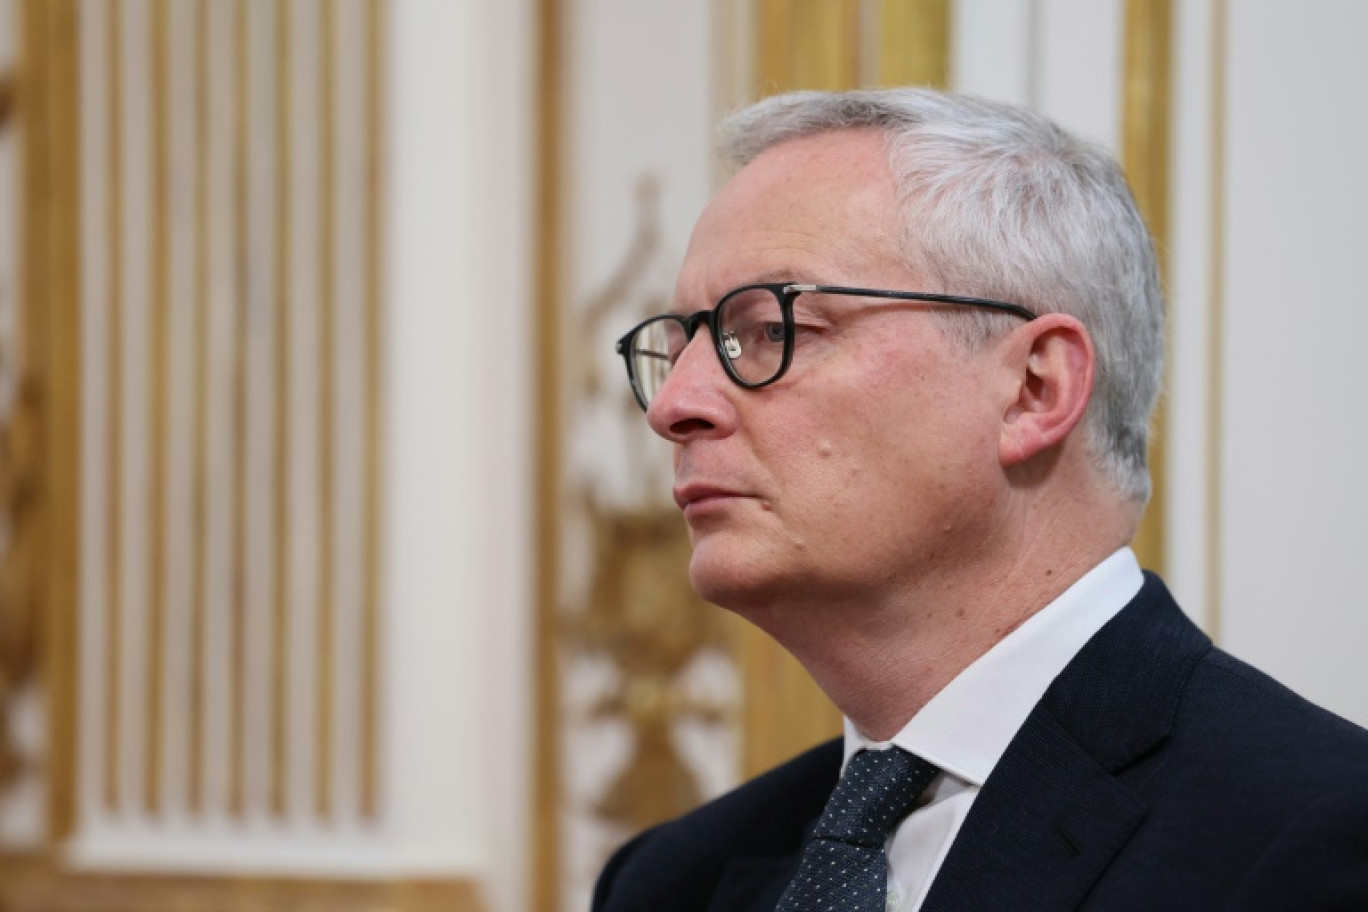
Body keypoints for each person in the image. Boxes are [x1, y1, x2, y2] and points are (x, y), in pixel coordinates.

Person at [593, 87, 1368, 912]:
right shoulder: (670, 880)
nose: (676, 404)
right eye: (677, 350)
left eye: (774, 331)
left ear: (1035, 387)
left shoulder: (1316, 842)